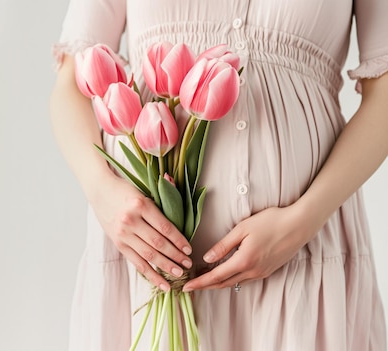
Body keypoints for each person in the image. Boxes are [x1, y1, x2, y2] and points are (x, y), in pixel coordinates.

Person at [49, 1, 388, 350]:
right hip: (147, 255)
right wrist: (103, 192)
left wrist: (304, 219)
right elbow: (72, 83)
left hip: (301, 255)